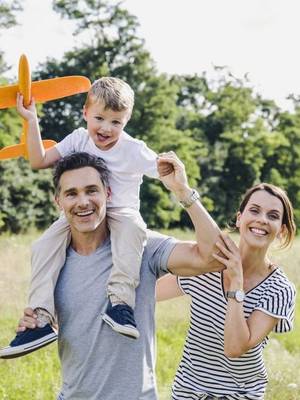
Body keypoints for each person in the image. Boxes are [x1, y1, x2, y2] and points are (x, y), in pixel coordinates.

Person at [4, 151, 223, 399]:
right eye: (71, 194)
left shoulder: (142, 247)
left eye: (91, 190)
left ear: (107, 194)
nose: (83, 201)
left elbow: (214, 258)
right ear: (58, 201)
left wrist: (184, 192)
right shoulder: (52, 260)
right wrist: (35, 321)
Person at [3, 76, 172, 352]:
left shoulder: (133, 149)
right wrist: (31, 119)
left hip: (119, 213)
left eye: (116, 122)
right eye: (99, 118)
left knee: (133, 229)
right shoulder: (79, 138)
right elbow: (39, 160)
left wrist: (171, 167)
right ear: (85, 113)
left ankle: (119, 305)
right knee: (43, 245)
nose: (106, 128)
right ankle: (41, 319)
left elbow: (164, 172)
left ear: (126, 122)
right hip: (81, 216)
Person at [156, 182, 296, 400]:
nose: (262, 219)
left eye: (273, 215)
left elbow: (234, 347)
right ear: (240, 218)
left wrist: (236, 284)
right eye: (255, 210)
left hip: (240, 396)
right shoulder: (207, 265)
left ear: (281, 231)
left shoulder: (279, 290)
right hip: (187, 393)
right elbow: (150, 293)